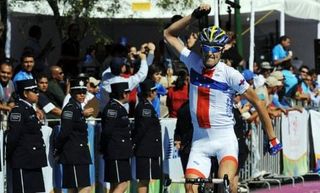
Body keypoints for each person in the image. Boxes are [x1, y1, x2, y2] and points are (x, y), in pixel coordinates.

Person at [164, 4, 282, 193]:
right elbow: (169, 34)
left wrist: (272, 138)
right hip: (199, 141)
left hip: (225, 140)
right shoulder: (192, 62)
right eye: (207, 48)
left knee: (227, 186)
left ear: (222, 49)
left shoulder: (230, 74)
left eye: (215, 48)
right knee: (190, 188)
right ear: (201, 48)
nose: (211, 52)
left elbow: (258, 102)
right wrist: (194, 16)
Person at [6, 79, 47, 193]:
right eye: (34, 90)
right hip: (23, 160)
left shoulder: (30, 109)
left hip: (33, 160)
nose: (37, 93)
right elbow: (13, 136)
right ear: (25, 93)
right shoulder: (18, 110)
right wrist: (9, 155)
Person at [54, 78, 92, 193]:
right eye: (78, 92)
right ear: (72, 93)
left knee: (74, 188)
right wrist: (58, 149)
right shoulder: (70, 109)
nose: (82, 95)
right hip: (74, 154)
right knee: (83, 187)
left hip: (79, 153)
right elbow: (64, 132)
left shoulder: (77, 108)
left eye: (84, 92)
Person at [100, 82, 133, 193]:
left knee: (115, 185)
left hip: (119, 152)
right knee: (123, 184)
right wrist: (104, 148)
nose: (129, 95)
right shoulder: (113, 108)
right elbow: (107, 131)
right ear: (123, 94)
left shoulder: (118, 107)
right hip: (116, 152)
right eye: (128, 92)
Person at [133, 79, 162, 193]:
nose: (155, 93)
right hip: (146, 149)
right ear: (150, 92)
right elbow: (142, 129)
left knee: (146, 179)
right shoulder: (145, 107)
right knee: (144, 179)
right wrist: (135, 143)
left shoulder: (146, 106)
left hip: (147, 149)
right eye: (154, 91)